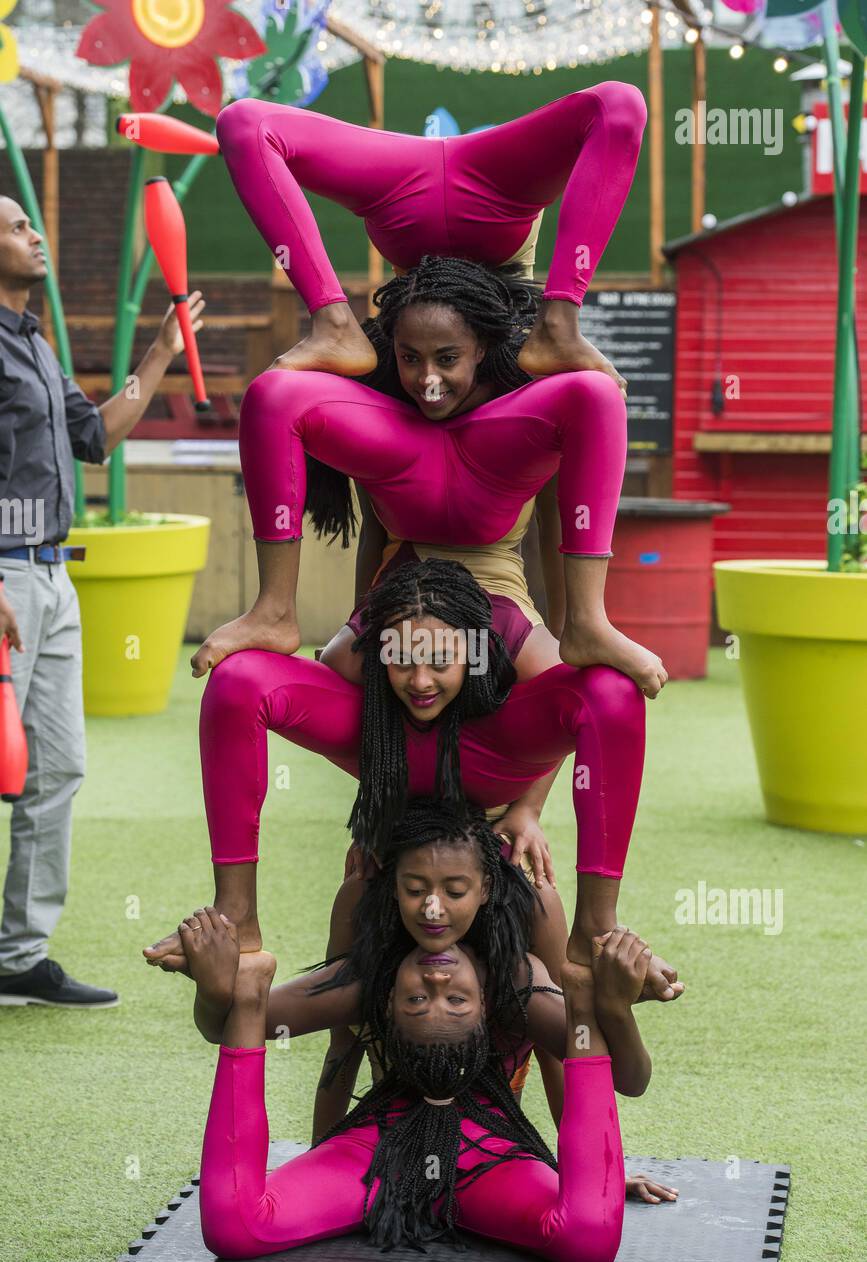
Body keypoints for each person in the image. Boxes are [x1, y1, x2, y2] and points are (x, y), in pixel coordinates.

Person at [145, 559, 681, 1003]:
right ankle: (236, 914)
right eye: (402, 659)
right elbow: (317, 698)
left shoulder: (509, 638)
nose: (420, 681)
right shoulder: (352, 652)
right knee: (237, 679)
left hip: (485, 756)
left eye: (439, 662)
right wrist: (377, 814)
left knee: (612, 691)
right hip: (392, 752)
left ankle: (599, 929)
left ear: (471, 651)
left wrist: (527, 810)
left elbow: (572, 717)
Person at [170, 812, 675, 1260]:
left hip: (491, 1155)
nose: (433, 909)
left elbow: (610, 1072)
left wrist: (588, 1175)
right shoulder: (368, 976)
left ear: (486, 1012)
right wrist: (225, 992)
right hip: (374, 1149)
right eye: (415, 890)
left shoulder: (517, 980)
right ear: (388, 1006)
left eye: (455, 892)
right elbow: (274, 1032)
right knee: (234, 1231)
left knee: (588, 1236)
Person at [188, 255, 668, 699]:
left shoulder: (527, 418)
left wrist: (570, 628)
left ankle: (519, 776)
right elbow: (375, 530)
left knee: (582, 691)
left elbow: (553, 521)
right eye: (410, 358)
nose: (428, 379)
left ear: (479, 349)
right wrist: (359, 619)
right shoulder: (379, 414)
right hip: (402, 585)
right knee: (341, 667)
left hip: (496, 587)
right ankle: (273, 610)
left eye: (446, 358)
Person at [0, 194, 205, 1008]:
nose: (34, 234)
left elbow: (97, 436)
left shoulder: (34, 345)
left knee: (58, 768)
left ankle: (18, 955)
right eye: (16, 226)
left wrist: (157, 353)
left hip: (53, 577)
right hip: (5, 577)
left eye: (31, 223)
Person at [214, 83, 646, 383]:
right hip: (458, 191)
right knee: (240, 122)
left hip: (466, 193)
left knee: (621, 103)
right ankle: (334, 324)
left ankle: (560, 326)